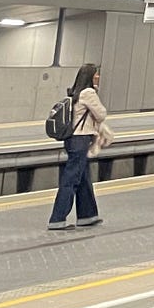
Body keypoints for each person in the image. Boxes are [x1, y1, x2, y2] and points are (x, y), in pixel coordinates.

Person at [47, 62, 112, 231]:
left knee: (83, 179)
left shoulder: (75, 92)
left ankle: (87, 216)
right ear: (90, 76)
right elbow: (101, 114)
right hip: (80, 140)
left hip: (72, 140)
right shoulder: (88, 93)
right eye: (96, 74)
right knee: (71, 180)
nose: (98, 77)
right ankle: (57, 218)